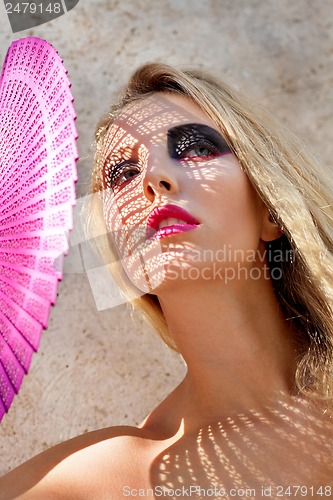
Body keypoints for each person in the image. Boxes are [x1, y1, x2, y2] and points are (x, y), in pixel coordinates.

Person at [1, 63, 333, 498]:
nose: (154, 182)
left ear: (271, 209)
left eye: (194, 148)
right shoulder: (102, 480)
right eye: (121, 175)